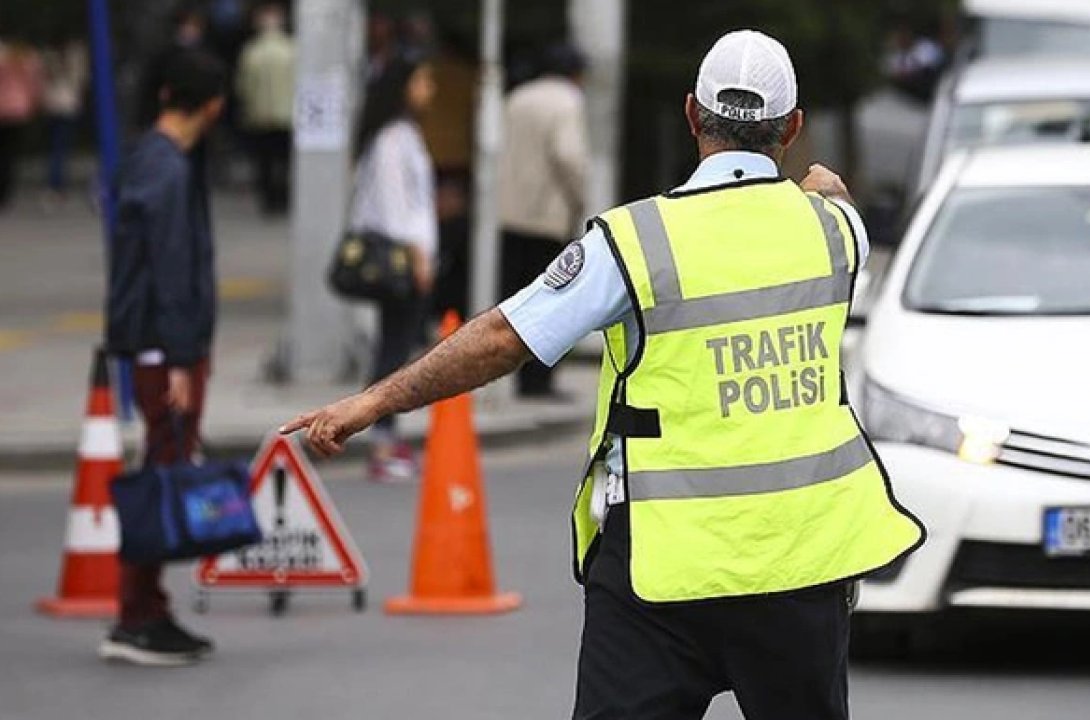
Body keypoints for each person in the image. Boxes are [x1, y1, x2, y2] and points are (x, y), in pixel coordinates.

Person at [283, 30, 925, 719]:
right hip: (802, 564)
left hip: (660, 569)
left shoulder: (634, 243)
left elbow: (505, 336)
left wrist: (375, 401)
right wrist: (819, 190)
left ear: (690, 115)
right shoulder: (836, 232)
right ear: (794, 127)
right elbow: (829, 198)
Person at [102, 49, 226, 667]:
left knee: (163, 466)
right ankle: (137, 615)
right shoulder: (169, 171)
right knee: (162, 474)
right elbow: (171, 271)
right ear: (213, 106)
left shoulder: (146, 158)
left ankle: (146, 607)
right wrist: (181, 359)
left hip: (156, 344)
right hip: (164, 350)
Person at [347, 58, 439, 483]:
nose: (430, 88)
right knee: (393, 349)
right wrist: (418, 255)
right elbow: (395, 207)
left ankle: (386, 434)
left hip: (409, 256)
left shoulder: (402, 134)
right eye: (422, 79)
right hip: (400, 260)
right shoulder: (391, 139)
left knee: (396, 344)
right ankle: (381, 440)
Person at [496, 42, 588, 398]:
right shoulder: (567, 101)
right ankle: (539, 381)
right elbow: (568, 155)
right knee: (553, 300)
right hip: (547, 216)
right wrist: (579, 197)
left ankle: (518, 376)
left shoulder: (517, 97)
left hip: (510, 211)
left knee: (517, 298)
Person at [236, 1, 295, 215]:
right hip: (287, 115)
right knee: (284, 161)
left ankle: (270, 200)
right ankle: (283, 198)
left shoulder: (251, 52)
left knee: (265, 161)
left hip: (260, 116)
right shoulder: (292, 49)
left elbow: (243, 86)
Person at [40, 33, 88, 207]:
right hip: (67, 104)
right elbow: (81, 79)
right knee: (61, 147)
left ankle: (55, 184)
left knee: (56, 146)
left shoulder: (50, 57)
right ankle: (57, 184)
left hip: (55, 103)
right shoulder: (74, 56)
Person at [0, 38, 42, 209]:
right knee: (9, 154)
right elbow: (34, 84)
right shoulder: (27, 58)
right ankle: (5, 191)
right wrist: (33, 102)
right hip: (18, 110)